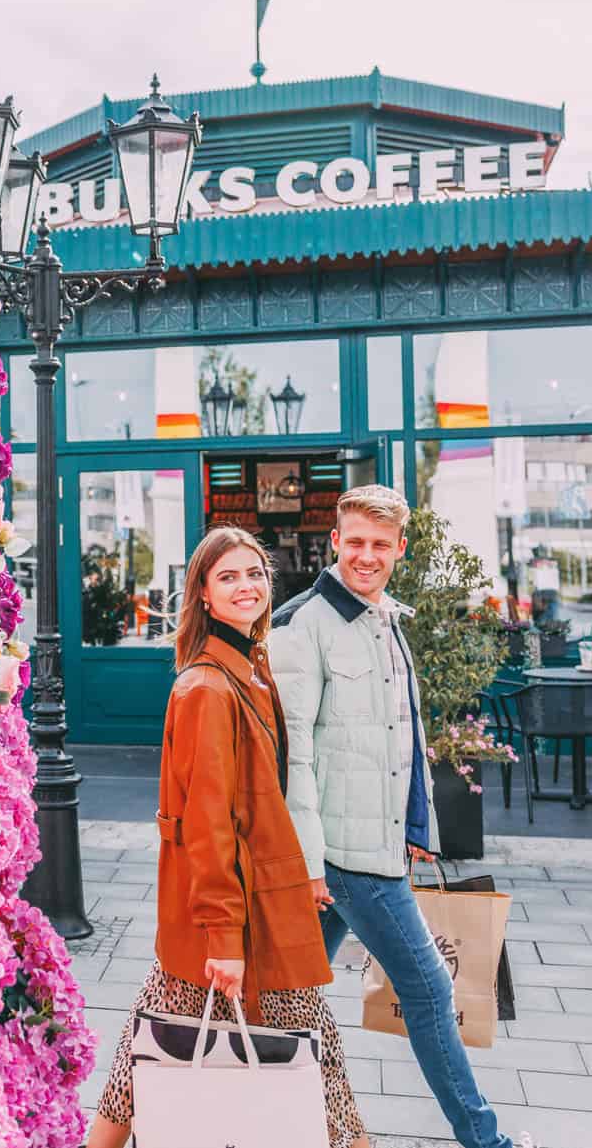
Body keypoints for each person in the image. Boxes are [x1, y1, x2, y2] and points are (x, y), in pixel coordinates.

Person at [89, 526, 368, 1148]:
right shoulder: (208, 688)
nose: (247, 586)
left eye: (255, 574)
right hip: (237, 918)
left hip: (259, 903)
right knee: (313, 1065)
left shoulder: (249, 670)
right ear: (204, 598)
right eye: (228, 577)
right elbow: (207, 825)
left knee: (147, 1050)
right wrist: (223, 937)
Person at [271, 485, 518, 1148]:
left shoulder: (387, 618)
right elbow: (291, 756)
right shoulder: (302, 625)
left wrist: (417, 830)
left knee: (285, 1000)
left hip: (375, 847)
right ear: (335, 543)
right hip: (344, 859)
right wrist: (310, 862)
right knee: (431, 992)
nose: (366, 555)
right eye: (355, 542)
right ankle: (485, 1140)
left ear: (400, 549)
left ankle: (254, 1115)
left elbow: (404, 738)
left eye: (381, 545)